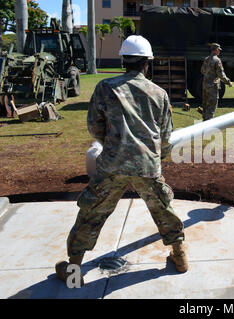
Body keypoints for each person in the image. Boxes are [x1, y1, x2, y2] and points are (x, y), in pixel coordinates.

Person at [55, 35, 187, 286]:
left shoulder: (105, 88)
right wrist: (156, 159)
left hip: (112, 166)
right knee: (163, 210)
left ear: (123, 60)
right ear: (147, 62)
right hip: (147, 165)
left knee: (91, 213)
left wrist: (112, 147)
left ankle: (73, 273)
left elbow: (94, 127)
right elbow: (166, 137)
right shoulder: (159, 94)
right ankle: (180, 258)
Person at [199, 43, 233, 121]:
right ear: (215, 50)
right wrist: (228, 82)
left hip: (205, 84)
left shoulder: (206, 59)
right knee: (212, 105)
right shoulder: (217, 60)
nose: (219, 51)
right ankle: (208, 123)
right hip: (212, 86)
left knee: (205, 104)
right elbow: (221, 74)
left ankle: (204, 121)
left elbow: (202, 70)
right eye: (219, 50)